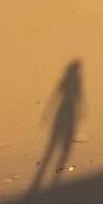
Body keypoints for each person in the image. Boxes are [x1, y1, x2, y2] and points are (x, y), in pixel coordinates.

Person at [30, 60, 83, 192]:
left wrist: (47, 113)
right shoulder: (75, 80)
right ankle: (54, 180)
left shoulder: (70, 79)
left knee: (55, 145)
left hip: (65, 112)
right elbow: (76, 98)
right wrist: (48, 113)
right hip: (67, 113)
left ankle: (46, 179)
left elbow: (57, 97)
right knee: (60, 145)